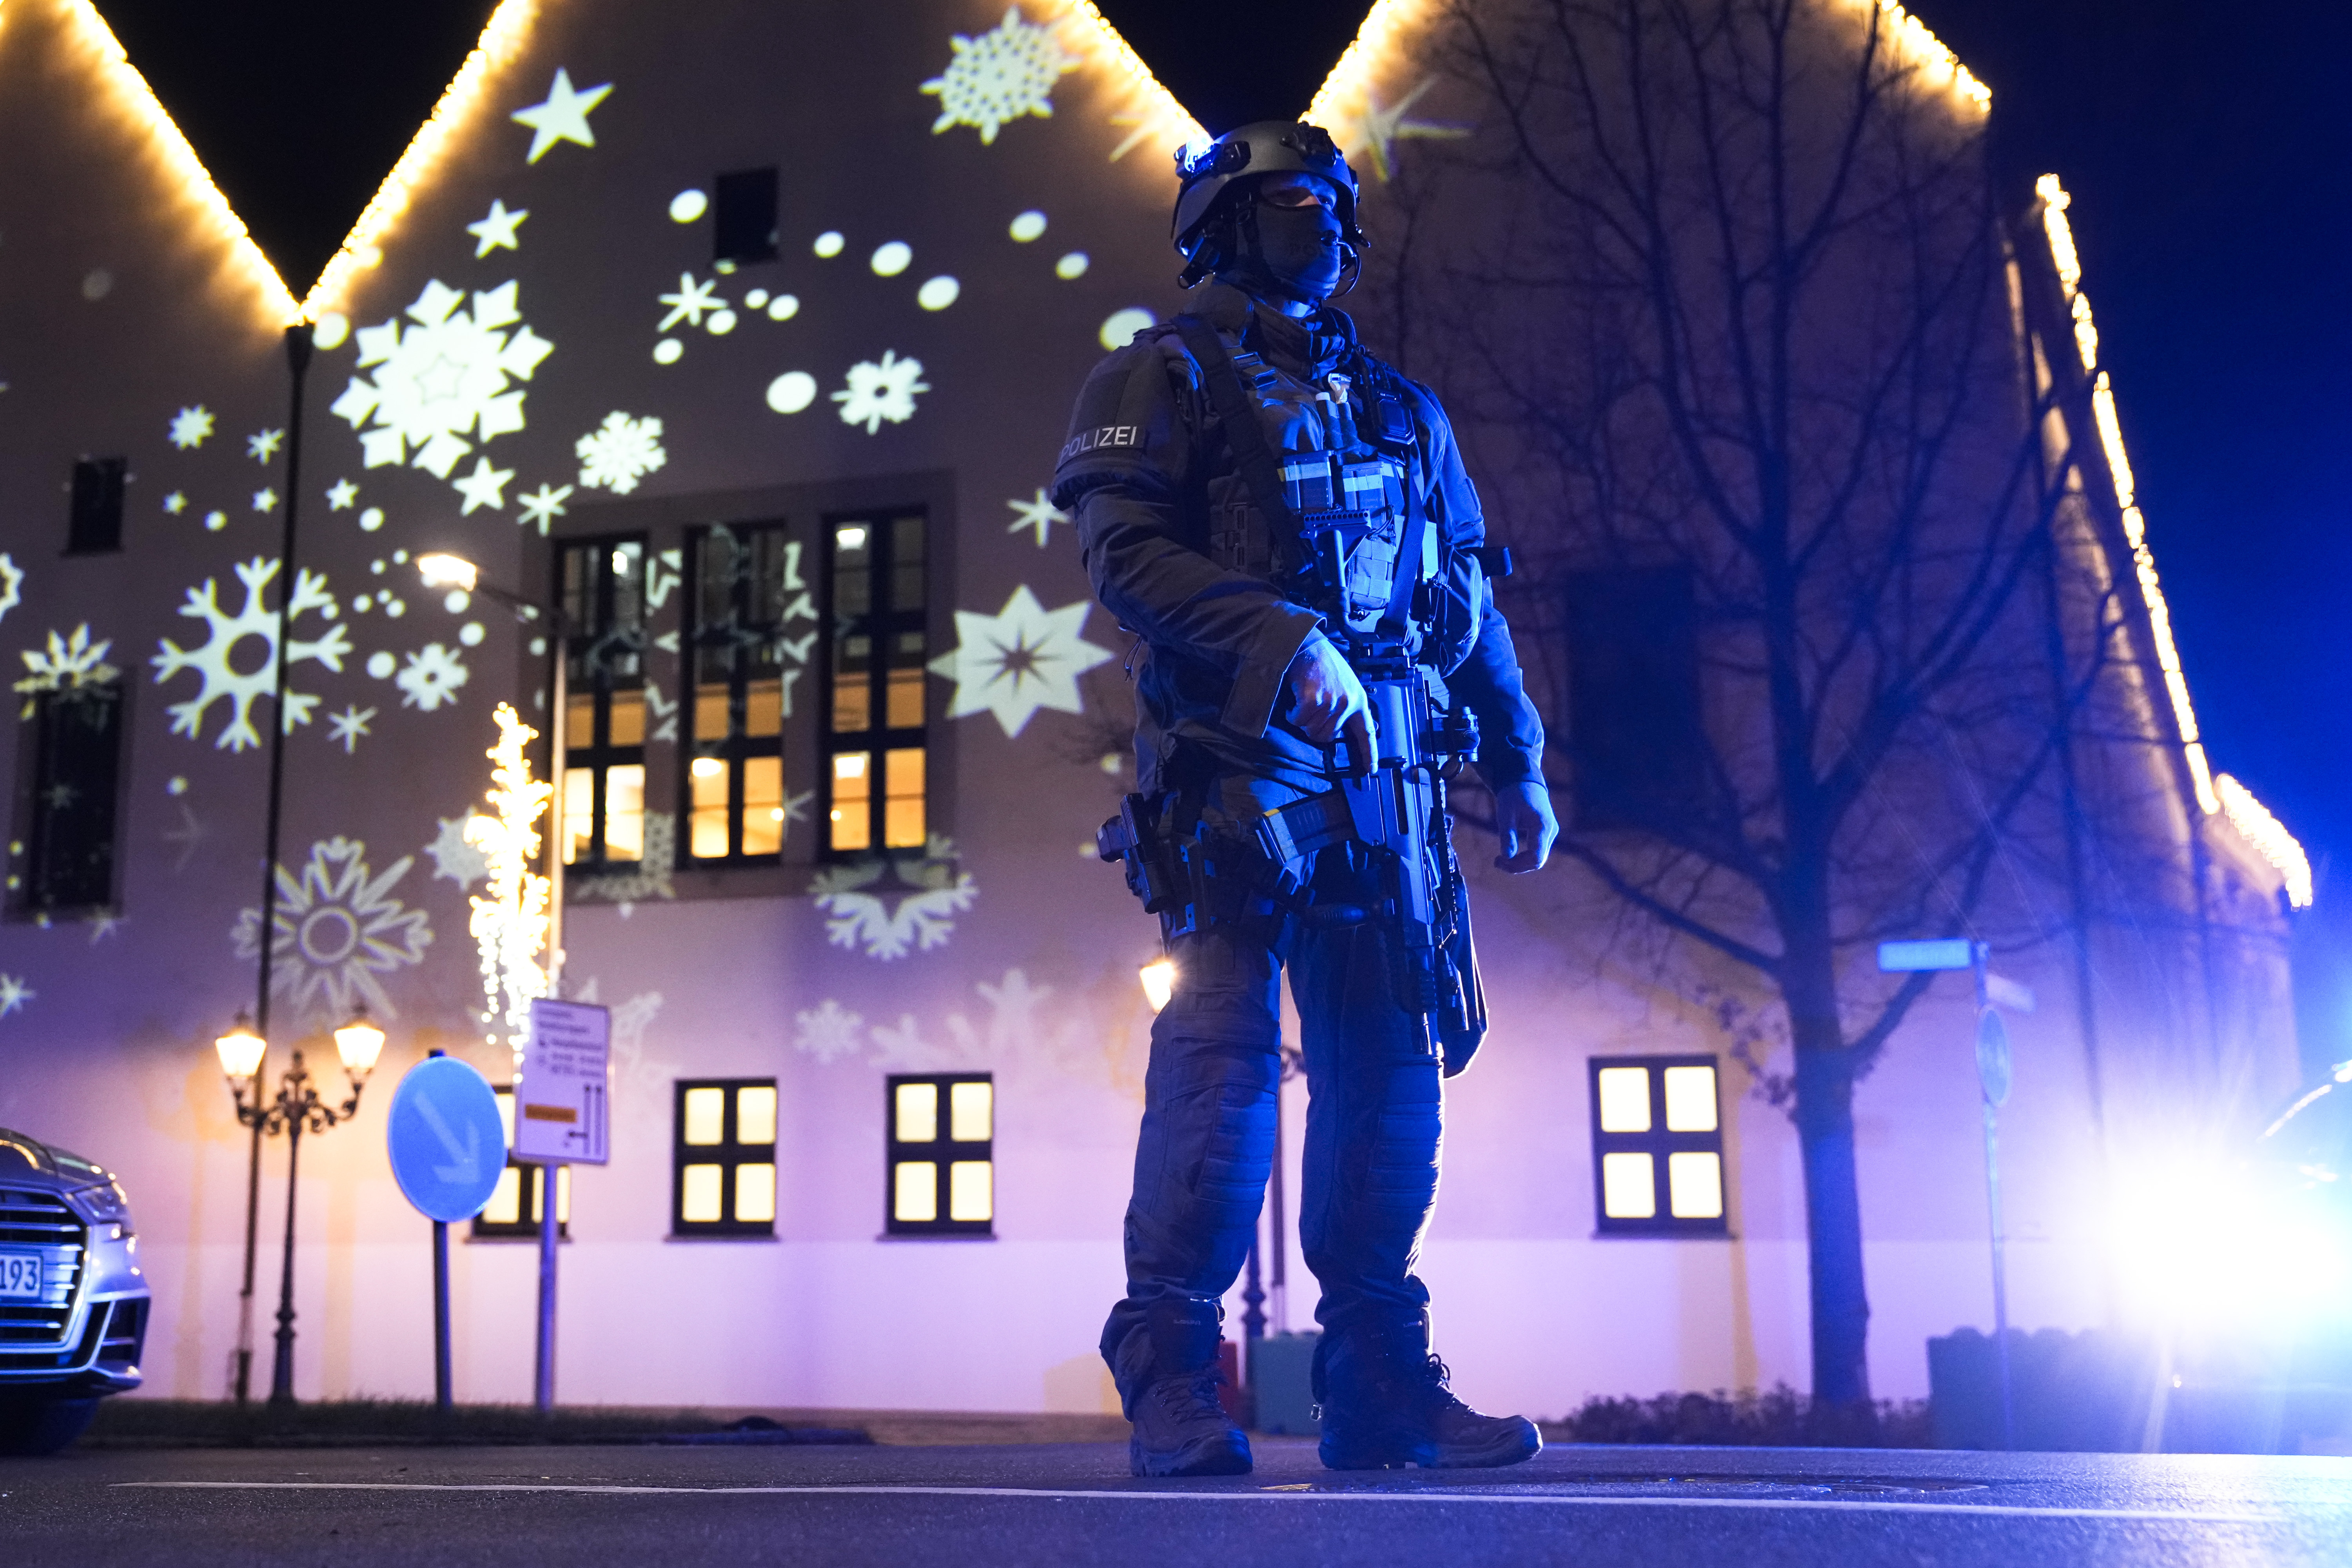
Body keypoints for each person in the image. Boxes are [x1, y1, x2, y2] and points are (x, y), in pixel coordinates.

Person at [1052, 121, 1558, 1479]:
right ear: (1224, 219)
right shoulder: (1159, 377)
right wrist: (1283, 644)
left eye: (1337, 204)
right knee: (1223, 1079)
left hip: (1388, 789)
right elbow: (1127, 555)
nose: (1327, 225)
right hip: (1237, 781)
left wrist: (1516, 751)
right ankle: (1168, 1361)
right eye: (1293, 204)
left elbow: (1467, 591)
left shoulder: (1403, 407)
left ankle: (1379, 1374)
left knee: (1390, 1084)